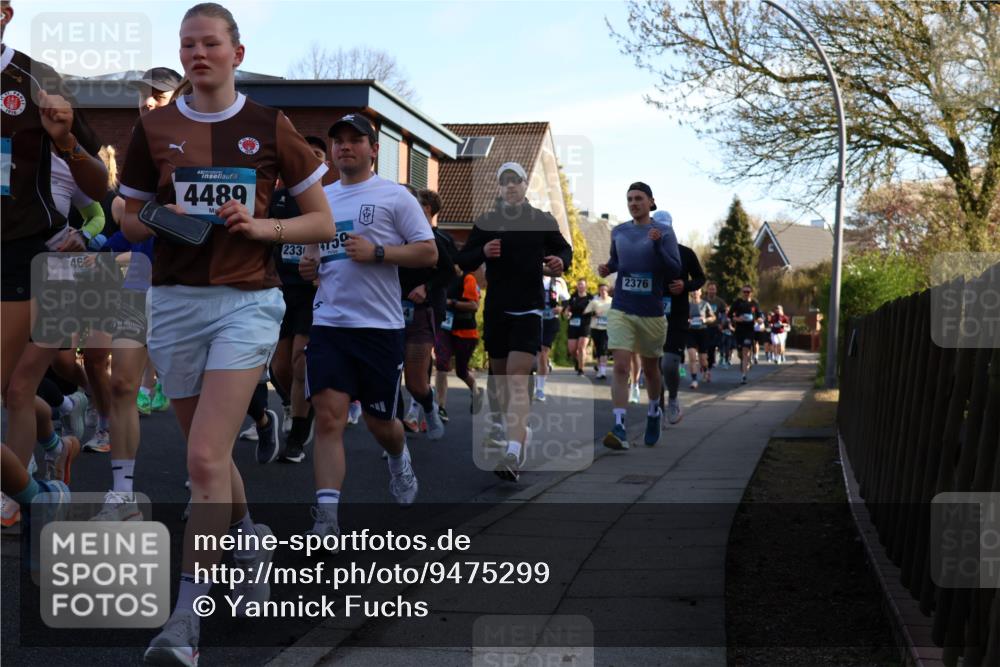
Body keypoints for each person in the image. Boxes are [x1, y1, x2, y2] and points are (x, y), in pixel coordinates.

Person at [119, 5, 335, 664]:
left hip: (247, 301)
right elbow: (127, 218)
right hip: (174, 303)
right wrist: (162, 213)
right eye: (188, 44)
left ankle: (185, 618)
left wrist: (262, 226)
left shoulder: (269, 126)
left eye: (210, 43)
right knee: (204, 454)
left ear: (237, 53)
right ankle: (249, 534)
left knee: (204, 462)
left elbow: (322, 222)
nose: (197, 53)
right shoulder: (154, 127)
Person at [302, 111, 436, 545]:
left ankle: (398, 457)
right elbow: (314, 254)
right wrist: (309, 264)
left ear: (373, 150)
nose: (345, 147)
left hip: (379, 327)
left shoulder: (395, 197)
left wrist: (380, 252)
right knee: (329, 417)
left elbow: (428, 253)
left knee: (382, 424)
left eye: (355, 141)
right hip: (329, 323)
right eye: (338, 140)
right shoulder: (322, 198)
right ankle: (327, 518)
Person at [1, 0, 107, 486]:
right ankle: (52, 447)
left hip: (32, 252)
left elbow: (98, 188)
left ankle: (19, 494)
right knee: (18, 390)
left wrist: (65, 141)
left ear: (5, 13)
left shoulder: (35, 79)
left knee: (16, 385)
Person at [457, 161, 572, 482]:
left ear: (524, 185)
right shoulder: (487, 222)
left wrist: (560, 259)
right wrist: (483, 250)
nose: (510, 186)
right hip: (496, 310)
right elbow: (462, 258)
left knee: (518, 378)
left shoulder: (541, 220)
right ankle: (518, 434)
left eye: (516, 181)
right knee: (502, 381)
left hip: (529, 309)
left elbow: (564, 248)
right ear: (499, 186)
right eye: (504, 181)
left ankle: (512, 452)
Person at [598, 182, 681, 450]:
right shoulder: (619, 232)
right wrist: (606, 268)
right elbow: (616, 262)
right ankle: (619, 426)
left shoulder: (664, 232)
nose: (634, 203)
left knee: (650, 370)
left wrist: (657, 246)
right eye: (630, 199)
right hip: (622, 307)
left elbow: (673, 269)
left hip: (652, 313)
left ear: (651, 202)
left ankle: (654, 410)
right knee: (621, 366)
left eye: (639, 198)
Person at [660, 243, 704, 425]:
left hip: (677, 316)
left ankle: (673, 398)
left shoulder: (685, 253)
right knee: (654, 367)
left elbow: (700, 278)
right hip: (651, 315)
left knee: (669, 363)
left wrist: (685, 285)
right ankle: (657, 408)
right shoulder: (646, 250)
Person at [434, 265, 484, 416]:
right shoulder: (443, 279)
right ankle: (440, 407)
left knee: (461, 371)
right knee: (442, 364)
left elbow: (474, 306)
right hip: (446, 329)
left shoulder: (468, 279)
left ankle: (475, 390)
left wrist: (451, 303)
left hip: (465, 331)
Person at [536, 274, 569, 401]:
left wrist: (561, 309)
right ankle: (543, 369)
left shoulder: (559, 281)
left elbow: (566, 302)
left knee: (543, 352)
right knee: (536, 354)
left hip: (551, 320)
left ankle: (540, 389)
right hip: (534, 319)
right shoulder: (533, 275)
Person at [728, 285, 762, 385]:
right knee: (740, 354)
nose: (746, 293)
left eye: (748, 292)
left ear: (751, 292)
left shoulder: (754, 303)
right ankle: (745, 361)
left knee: (745, 351)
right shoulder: (738, 302)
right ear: (742, 292)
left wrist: (759, 320)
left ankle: (744, 376)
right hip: (739, 331)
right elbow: (730, 315)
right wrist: (737, 319)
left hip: (749, 331)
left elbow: (760, 315)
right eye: (744, 292)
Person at [685, 288, 715, 390]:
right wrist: (687, 320)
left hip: (702, 332)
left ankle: (706, 370)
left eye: (697, 290)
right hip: (690, 332)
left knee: (703, 359)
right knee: (692, 356)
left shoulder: (705, 304)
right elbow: (683, 318)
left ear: (701, 292)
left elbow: (713, 317)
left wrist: (705, 319)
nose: (695, 292)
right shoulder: (687, 305)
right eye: (693, 291)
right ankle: (694, 380)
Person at [564, 279, 593, 376]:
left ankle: (581, 369)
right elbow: (567, 309)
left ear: (586, 286)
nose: (580, 286)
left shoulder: (590, 297)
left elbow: (596, 309)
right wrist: (567, 313)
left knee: (581, 347)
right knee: (572, 349)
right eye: (579, 284)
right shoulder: (573, 297)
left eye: (582, 284)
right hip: (573, 324)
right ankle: (577, 361)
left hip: (585, 324)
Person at [584, 283, 612, 379]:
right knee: (598, 349)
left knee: (604, 348)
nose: (603, 292)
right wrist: (593, 313)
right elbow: (585, 312)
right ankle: (600, 369)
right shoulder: (594, 301)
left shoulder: (612, 301)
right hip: (596, 328)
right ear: (599, 291)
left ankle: (603, 371)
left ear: (608, 291)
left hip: (607, 328)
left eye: (605, 290)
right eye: (601, 290)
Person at [702, 281, 727, 377]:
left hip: (715, 328)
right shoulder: (703, 300)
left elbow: (724, 314)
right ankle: (705, 367)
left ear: (716, 290)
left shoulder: (720, 302)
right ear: (707, 290)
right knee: (704, 348)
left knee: (712, 348)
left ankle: (709, 365)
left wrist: (722, 323)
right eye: (710, 289)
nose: (712, 291)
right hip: (704, 327)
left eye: (713, 289)